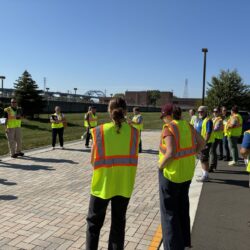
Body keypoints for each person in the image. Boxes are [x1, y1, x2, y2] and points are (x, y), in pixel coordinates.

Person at [86, 98, 140, 250]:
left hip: (101, 185)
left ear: (109, 112)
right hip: (123, 185)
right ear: (126, 112)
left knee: (93, 225)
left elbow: (92, 161)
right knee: (118, 225)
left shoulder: (99, 131)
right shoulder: (135, 133)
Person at [158, 104, 205, 250]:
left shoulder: (169, 129)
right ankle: (185, 242)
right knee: (183, 208)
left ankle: (172, 247)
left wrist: (160, 166)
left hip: (171, 174)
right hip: (186, 174)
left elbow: (170, 153)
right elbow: (202, 143)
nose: (163, 120)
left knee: (169, 214)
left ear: (169, 115)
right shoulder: (188, 126)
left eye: (164, 116)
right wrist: (193, 153)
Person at [194, 106, 214, 182]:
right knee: (202, 158)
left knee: (204, 158)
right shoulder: (200, 120)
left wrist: (204, 143)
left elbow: (208, 133)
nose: (200, 113)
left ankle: (205, 176)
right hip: (200, 142)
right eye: (198, 111)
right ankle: (204, 173)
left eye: (201, 111)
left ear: (206, 112)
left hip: (205, 142)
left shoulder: (208, 120)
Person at [209, 107, 224, 172]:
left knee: (212, 151)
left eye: (216, 111)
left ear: (219, 112)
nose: (215, 113)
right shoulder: (213, 119)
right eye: (214, 111)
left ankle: (211, 166)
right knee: (213, 151)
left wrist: (208, 130)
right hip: (213, 137)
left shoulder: (219, 120)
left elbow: (216, 128)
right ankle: (214, 166)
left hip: (217, 137)